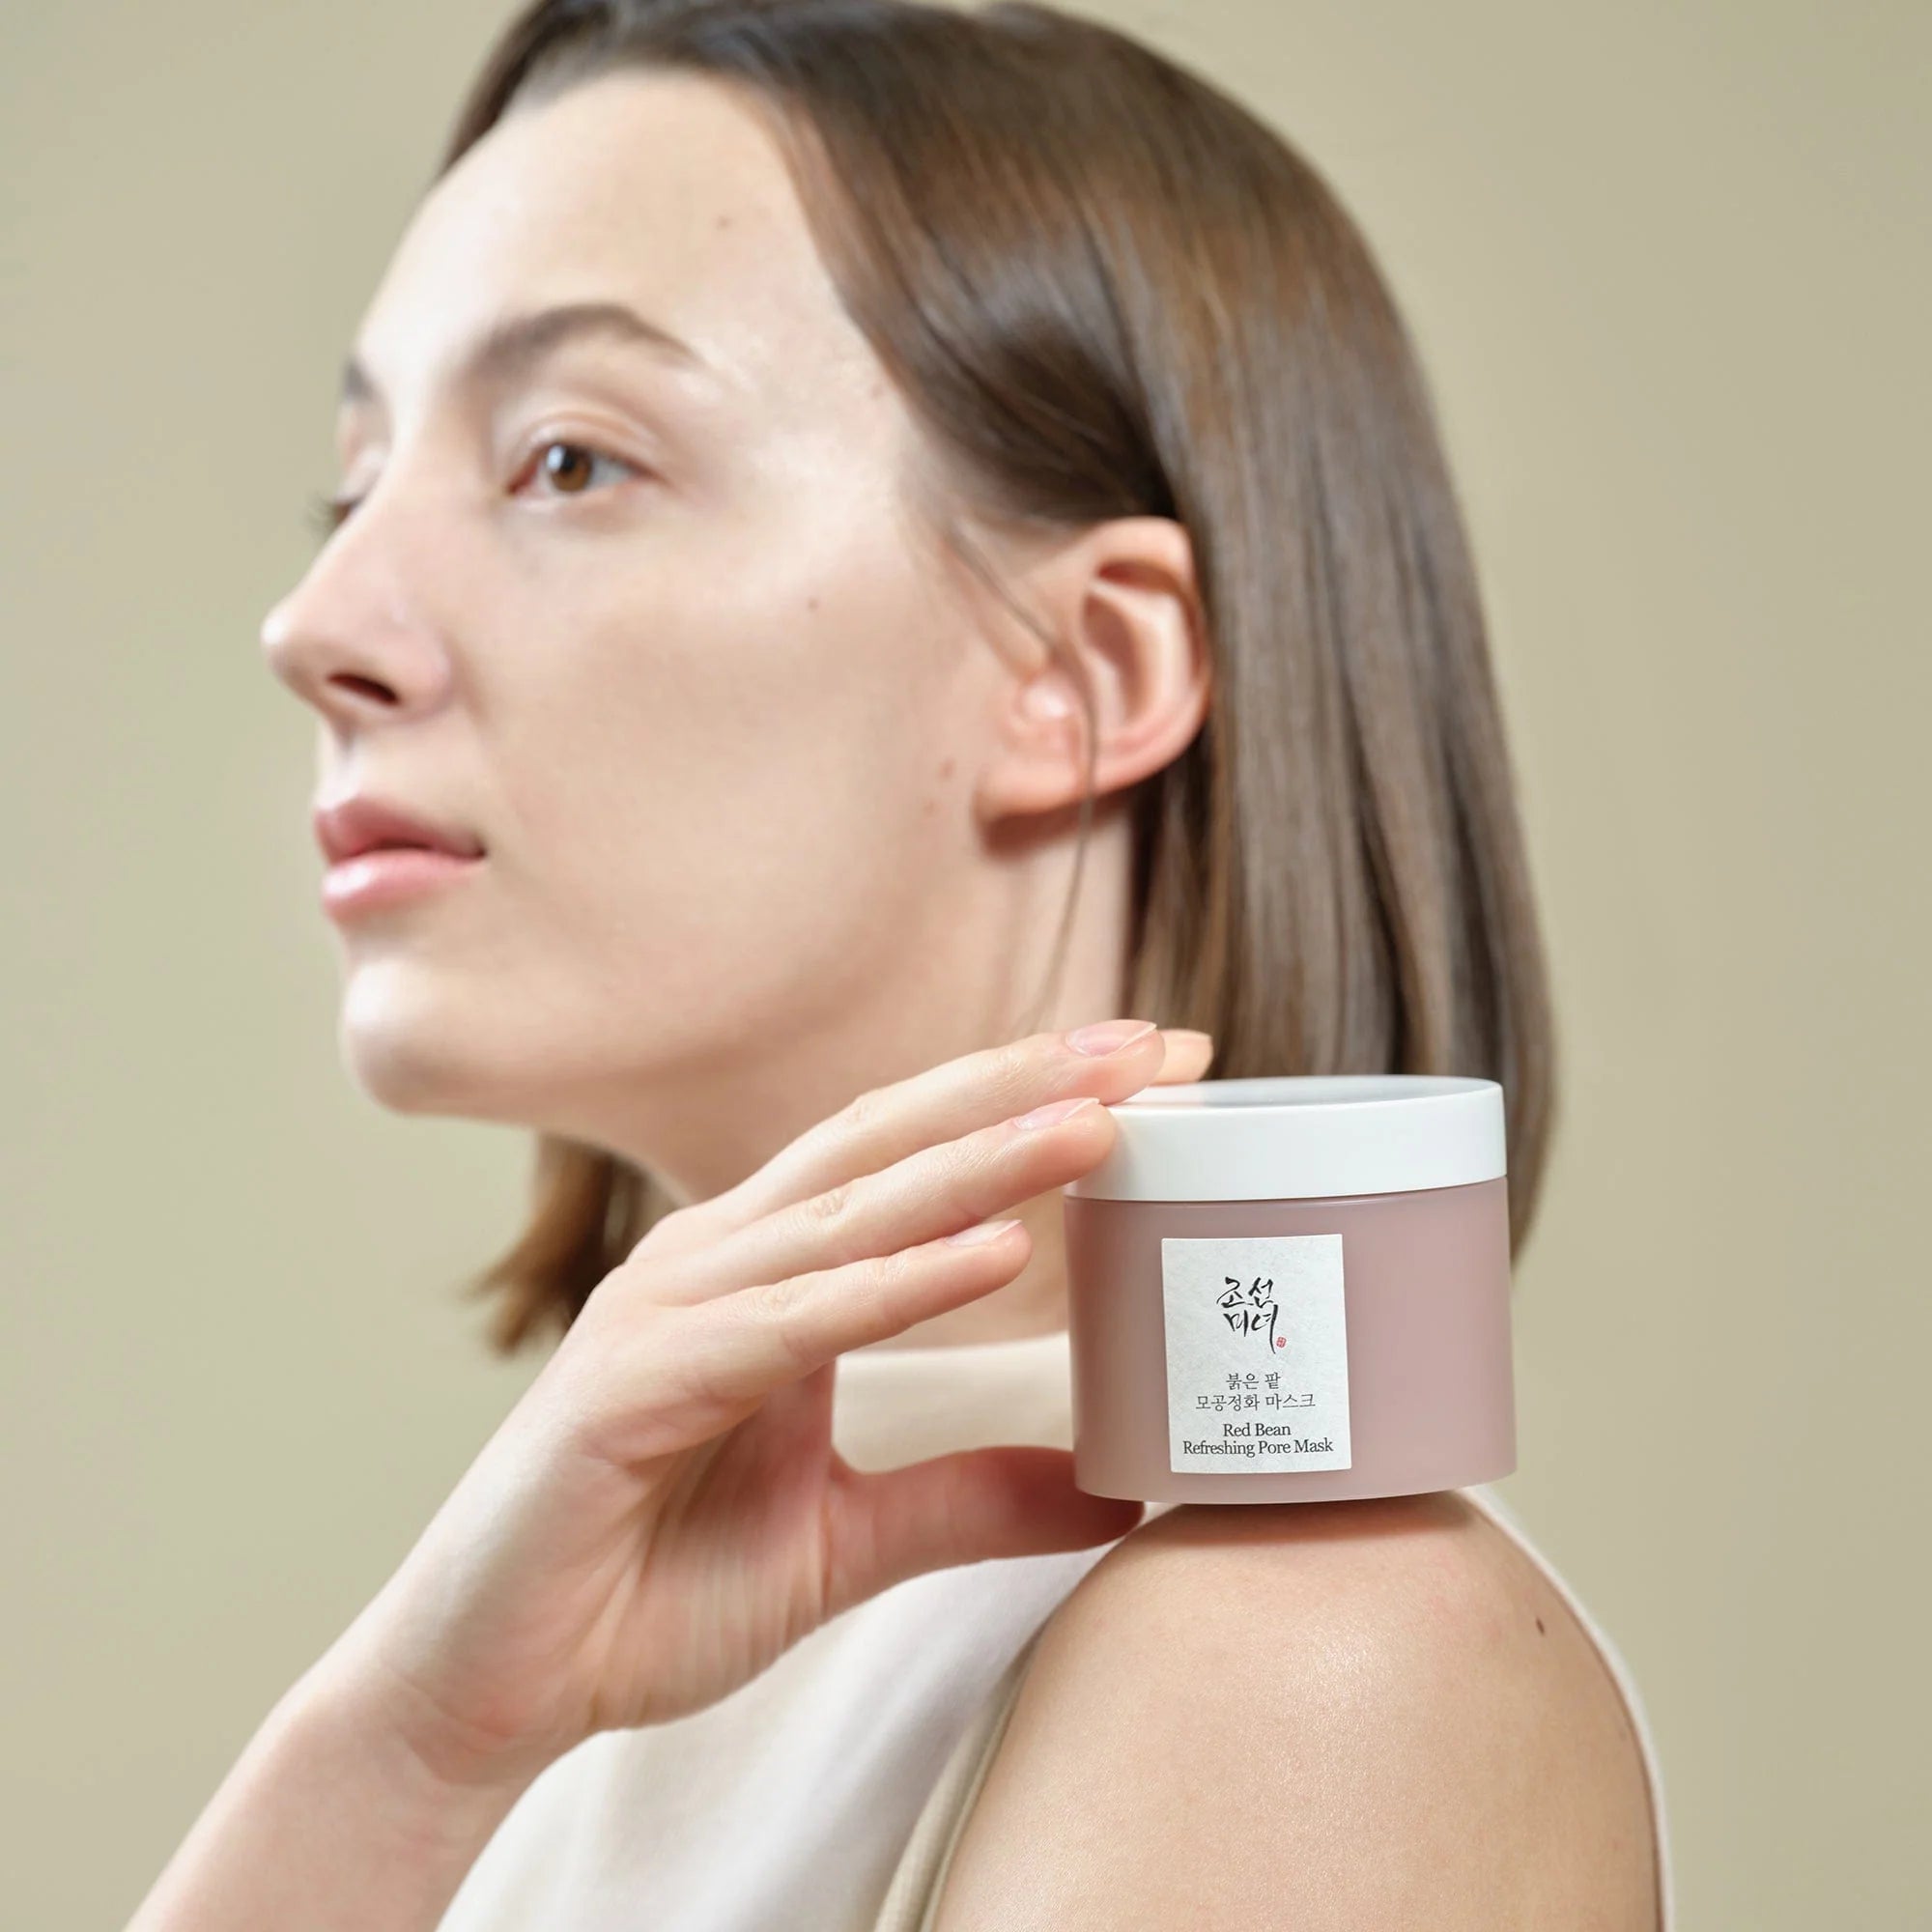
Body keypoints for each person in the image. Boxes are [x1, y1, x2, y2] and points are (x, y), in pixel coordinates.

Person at [128, 2, 1672, 1927]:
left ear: (1085, 670)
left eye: (567, 460)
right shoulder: (592, 1667)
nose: (315, 622)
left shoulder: (1306, 1669)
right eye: (351, 487)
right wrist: (406, 1751)